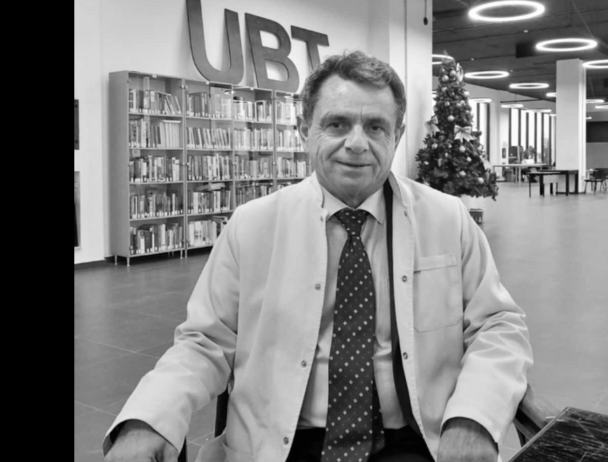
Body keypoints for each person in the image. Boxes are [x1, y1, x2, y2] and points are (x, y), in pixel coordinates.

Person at [103, 51, 532, 462]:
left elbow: (498, 325)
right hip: (283, 443)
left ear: (397, 135)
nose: (357, 144)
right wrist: (148, 419)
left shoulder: (447, 219)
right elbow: (205, 342)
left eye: (376, 127)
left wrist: (472, 419)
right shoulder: (252, 226)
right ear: (304, 128)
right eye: (337, 124)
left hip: (413, 440)